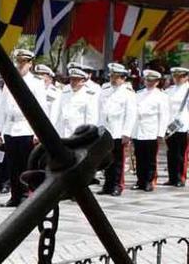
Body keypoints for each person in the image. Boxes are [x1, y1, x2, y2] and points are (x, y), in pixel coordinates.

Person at [0, 49, 46, 208]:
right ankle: (15, 196)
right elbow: (3, 107)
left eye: (24, 61)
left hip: (26, 128)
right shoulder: (10, 81)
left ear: (30, 63)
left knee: (25, 165)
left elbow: (41, 108)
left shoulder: (36, 82)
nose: (20, 65)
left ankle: (25, 195)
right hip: (10, 128)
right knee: (12, 165)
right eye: (19, 61)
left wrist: (38, 132)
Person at [98, 63, 137, 197]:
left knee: (118, 161)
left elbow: (131, 114)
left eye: (117, 77)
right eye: (112, 76)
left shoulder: (128, 93)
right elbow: (101, 111)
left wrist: (127, 132)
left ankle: (117, 185)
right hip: (106, 131)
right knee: (106, 160)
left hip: (118, 131)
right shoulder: (105, 90)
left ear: (123, 78)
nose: (113, 79)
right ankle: (107, 185)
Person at [131, 69, 169, 192]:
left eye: (152, 81)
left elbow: (164, 115)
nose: (149, 83)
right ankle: (140, 180)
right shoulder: (138, 94)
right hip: (138, 130)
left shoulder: (161, 96)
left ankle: (149, 180)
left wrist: (160, 133)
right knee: (139, 157)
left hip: (151, 129)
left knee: (150, 158)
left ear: (157, 82)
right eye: (147, 80)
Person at [50, 67, 99, 139]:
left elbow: (91, 118)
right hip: (62, 133)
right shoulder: (65, 92)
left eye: (76, 80)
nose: (72, 82)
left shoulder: (89, 95)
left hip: (78, 134)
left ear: (83, 81)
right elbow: (59, 113)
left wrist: (88, 135)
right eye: (71, 79)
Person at [164, 66, 189, 187]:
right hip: (170, 126)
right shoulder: (169, 91)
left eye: (181, 76)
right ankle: (172, 177)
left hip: (183, 126)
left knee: (181, 154)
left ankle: (180, 177)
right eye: (175, 76)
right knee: (171, 153)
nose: (178, 79)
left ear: (186, 77)